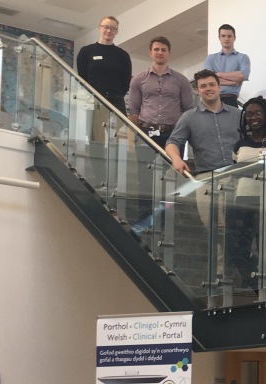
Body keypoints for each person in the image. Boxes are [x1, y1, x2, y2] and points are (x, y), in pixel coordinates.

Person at [165, 70, 242, 282]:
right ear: (198, 91)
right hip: (205, 177)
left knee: (233, 225)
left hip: (235, 175)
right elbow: (172, 142)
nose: (208, 88)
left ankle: (224, 271)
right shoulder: (189, 117)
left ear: (219, 87)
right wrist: (177, 159)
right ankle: (232, 265)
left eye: (211, 84)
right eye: (203, 86)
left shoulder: (237, 114)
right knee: (213, 226)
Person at [125, 36, 194, 225]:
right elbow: (133, 110)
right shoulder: (139, 79)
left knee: (169, 178)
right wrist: (136, 136)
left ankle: (165, 218)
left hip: (173, 135)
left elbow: (189, 110)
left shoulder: (181, 80)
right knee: (144, 178)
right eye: (156, 49)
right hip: (146, 133)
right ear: (150, 52)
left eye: (164, 49)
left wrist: (184, 135)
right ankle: (144, 215)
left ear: (169, 53)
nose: (160, 52)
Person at [230, 96, 266, 291]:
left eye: (257, 113)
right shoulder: (240, 144)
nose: (253, 117)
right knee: (238, 249)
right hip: (242, 200)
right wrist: (254, 168)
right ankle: (253, 279)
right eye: (249, 114)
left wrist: (247, 169)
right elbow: (233, 172)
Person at [76, 16, 131, 127]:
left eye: (113, 28)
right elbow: (82, 78)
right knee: (92, 132)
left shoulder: (123, 55)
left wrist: (117, 94)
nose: (109, 31)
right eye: (106, 27)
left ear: (116, 31)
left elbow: (125, 81)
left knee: (121, 133)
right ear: (99, 28)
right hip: (92, 98)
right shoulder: (86, 51)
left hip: (116, 100)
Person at [204, 24, 250, 108]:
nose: (226, 38)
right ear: (219, 38)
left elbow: (243, 76)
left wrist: (217, 75)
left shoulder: (243, 57)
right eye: (223, 36)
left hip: (231, 100)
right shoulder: (210, 58)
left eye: (229, 36)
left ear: (234, 38)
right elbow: (208, 80)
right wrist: (232, 82)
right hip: (213, 99)